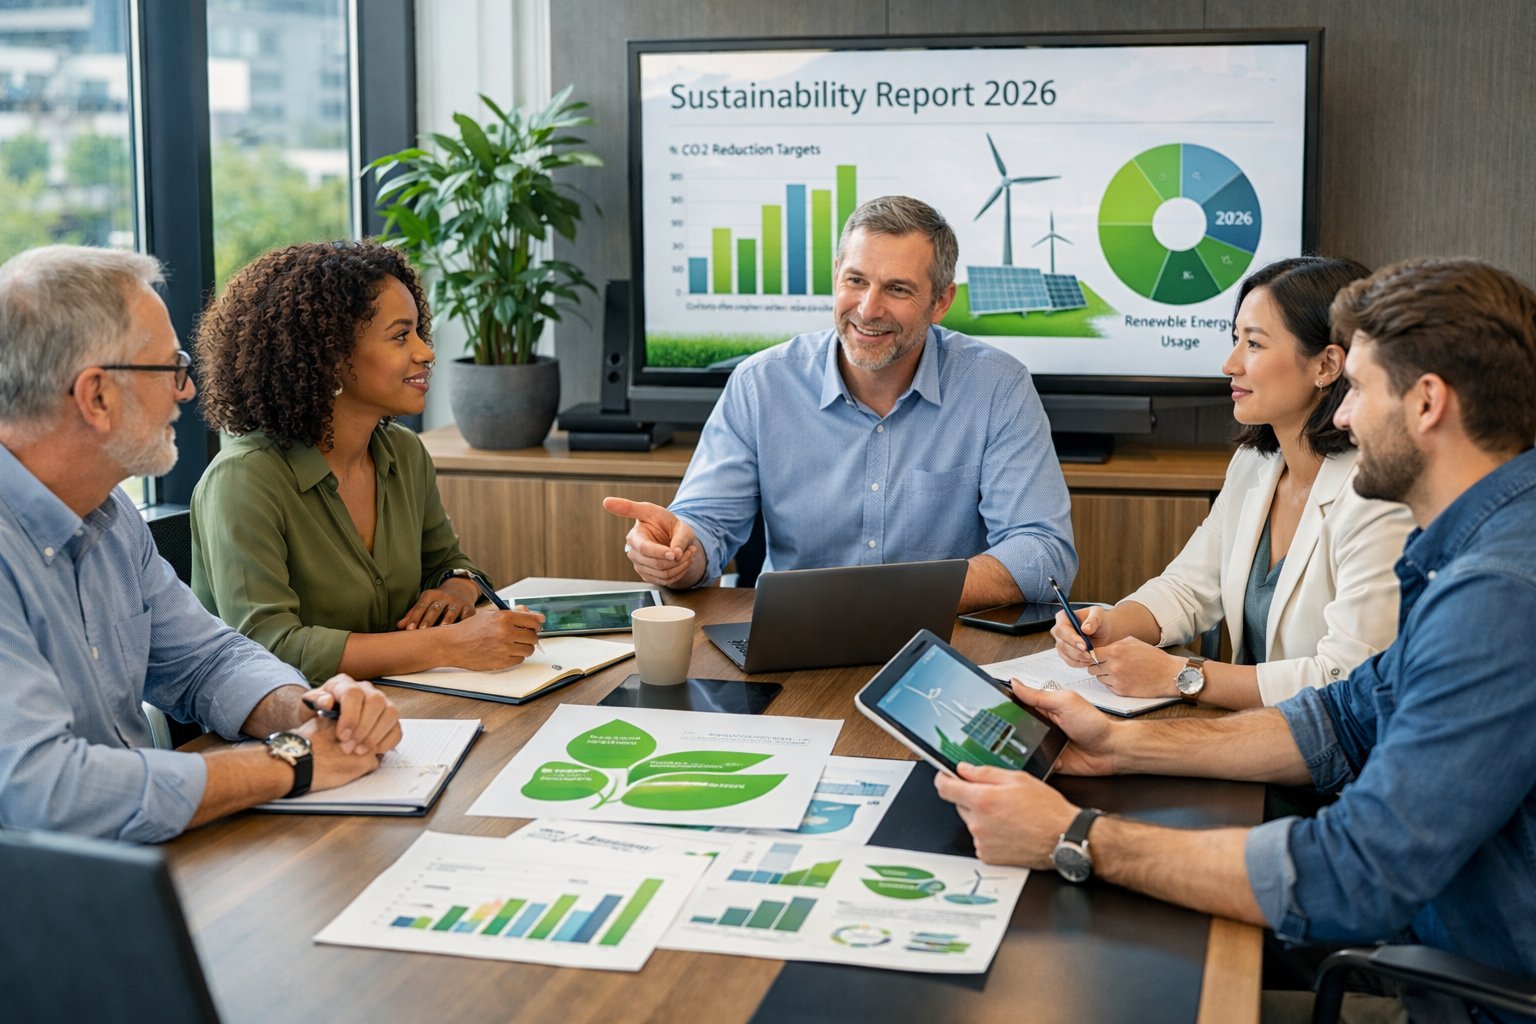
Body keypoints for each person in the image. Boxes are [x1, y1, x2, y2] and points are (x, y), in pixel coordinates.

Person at [937, 257, 1536, 1021]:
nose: (1345, 416)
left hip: (1449, 994)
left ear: (1426, 403)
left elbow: (1351, 874)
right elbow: (1346, 715)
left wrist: (1076, 835)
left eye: (1358, 389)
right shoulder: (1478, 548)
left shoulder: (1499, 595)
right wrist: (1117, 746)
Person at [0, 245, 402, 843]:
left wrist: (310, 711)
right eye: (169, 368)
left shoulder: (110, 516)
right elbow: (45, 788)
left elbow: (206, 660)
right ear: (96, 396)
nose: (186, 392)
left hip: (132, 869)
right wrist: (292, 759)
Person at [604, 195, 1076, 612]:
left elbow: (1042, 552)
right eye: (856, 280)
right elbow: (703, 527)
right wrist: (677, 559)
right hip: (793, 642)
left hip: (943, 643)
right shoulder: (761, 384)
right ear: (835, 277)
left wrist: (895, 597)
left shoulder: (996, 386)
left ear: (941, 301)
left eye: (897, 289)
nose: (869, 309)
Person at [1051, 258, 1414, 709]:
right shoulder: (1253, 465)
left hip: (1327, 757)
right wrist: (1111, 623)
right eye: (1234, 339)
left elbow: (1346, 677)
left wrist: (1183, 676)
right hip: (1254, 730)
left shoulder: (1378, 495)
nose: (1229, 364)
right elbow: (1188, 587)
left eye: (1254, 344)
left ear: (1326, 364)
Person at [190, 241, 543, 683]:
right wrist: (450, 644)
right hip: (290, 727)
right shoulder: (244, 479)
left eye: (418, 332)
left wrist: (455, 588)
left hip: (403, 702)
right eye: (400, 336)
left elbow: (451, 561)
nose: (426, 352)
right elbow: (270, 647)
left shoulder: (403, 452)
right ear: (331, 356)